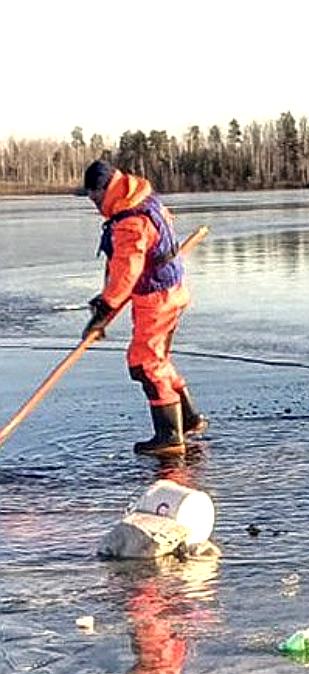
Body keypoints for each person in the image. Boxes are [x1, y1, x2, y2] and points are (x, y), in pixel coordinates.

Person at [82, 159, 207, 457]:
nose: (93, 203)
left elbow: (127, 270)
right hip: (171, 291)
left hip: (157, 299)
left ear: (104, 189)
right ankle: (188, 418)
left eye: (93, 196)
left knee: (144, 363)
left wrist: (105, 308)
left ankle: (169, 436)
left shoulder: (130, 221)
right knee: (157, 358)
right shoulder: (143, 199)